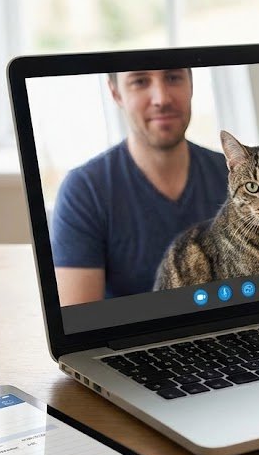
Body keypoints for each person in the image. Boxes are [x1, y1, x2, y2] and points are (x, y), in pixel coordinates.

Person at [50, 68, 229, 305]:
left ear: (191, 84)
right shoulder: (84, 191)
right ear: (116, 93)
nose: (162, 99)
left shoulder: (238, 179)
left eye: (173, 78)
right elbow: (78, 323)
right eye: (140, 81)